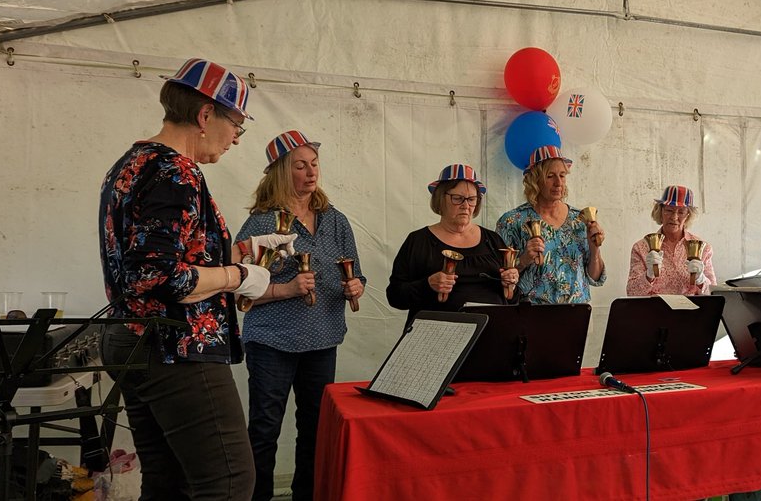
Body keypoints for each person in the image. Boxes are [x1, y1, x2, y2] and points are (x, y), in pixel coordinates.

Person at [98, 58, 292, 500]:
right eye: (237, 126)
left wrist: (243, 250)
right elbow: (159, 276)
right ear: (206, 115)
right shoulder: (177, 172)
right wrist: (238, 276)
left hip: (132, 338)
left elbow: (157, 255)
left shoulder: (132, 163)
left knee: (169, 481)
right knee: (229, 481)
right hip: (173, 345)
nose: (236, 139)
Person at [235, 130, 366, 501]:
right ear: (281, 172)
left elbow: (355, 272)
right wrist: (288, 289)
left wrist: (354, 286)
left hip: (322, 339)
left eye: (314, 164)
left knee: (315, 429)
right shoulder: (262, 224)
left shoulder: (334, 220)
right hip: (272, 341)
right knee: (264, 430)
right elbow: (240, 293)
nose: (311, 173)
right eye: (300, 166)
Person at [387, 164, 518, 327]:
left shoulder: (492, 240)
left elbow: (513, 299)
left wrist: (511, 285)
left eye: (471, 199)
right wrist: (427, 284)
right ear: (441, 198)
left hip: (490, 331)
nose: (466, 205)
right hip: (436, 334)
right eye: (457, 198)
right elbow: (395, 297)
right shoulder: (419, 241)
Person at [497, 146, 605, 304]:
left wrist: (595, 249)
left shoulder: (580, 219)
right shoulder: (512, 221)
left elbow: (595, 278)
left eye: (562, 175)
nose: (558, 183)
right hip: (532, 313)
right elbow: (499, 279)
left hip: (577, 312)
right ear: (535, 180)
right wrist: (525, 259)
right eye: (550, 176)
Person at [626, 185, 715, 296]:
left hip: (690, 307)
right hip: (654, 307)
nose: (674, 217)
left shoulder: (703, 248)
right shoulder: (641, 248)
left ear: (688, 216)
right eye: (669, 210)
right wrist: (648, 275)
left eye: (681, 212)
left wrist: (701, 280)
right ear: (660, 211)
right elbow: (631, 292)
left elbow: (714, 293)